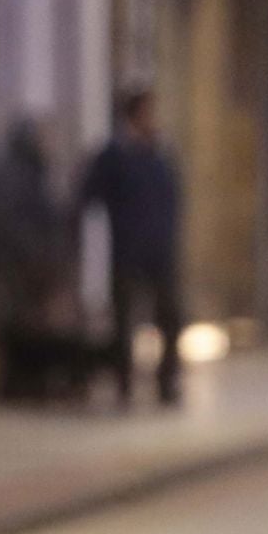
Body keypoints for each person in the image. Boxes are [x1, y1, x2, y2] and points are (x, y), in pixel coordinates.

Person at [80, 88, 184, 407]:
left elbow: (173, 197)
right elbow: (89, 194)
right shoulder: (115, 155)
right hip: (127, 251)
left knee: (170, 316)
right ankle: (124, 385)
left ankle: (166, 384)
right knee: (124, 322)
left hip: (159, 251)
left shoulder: (160, 153)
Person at [0, 119, 92, 401]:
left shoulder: (37, 174)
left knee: (39, 327)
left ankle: (35, 382)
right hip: (19, 267)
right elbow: (8, 222)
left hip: (38, 265)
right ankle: (19, 383)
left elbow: (52, 217)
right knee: (20, 329)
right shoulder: (10, 175)